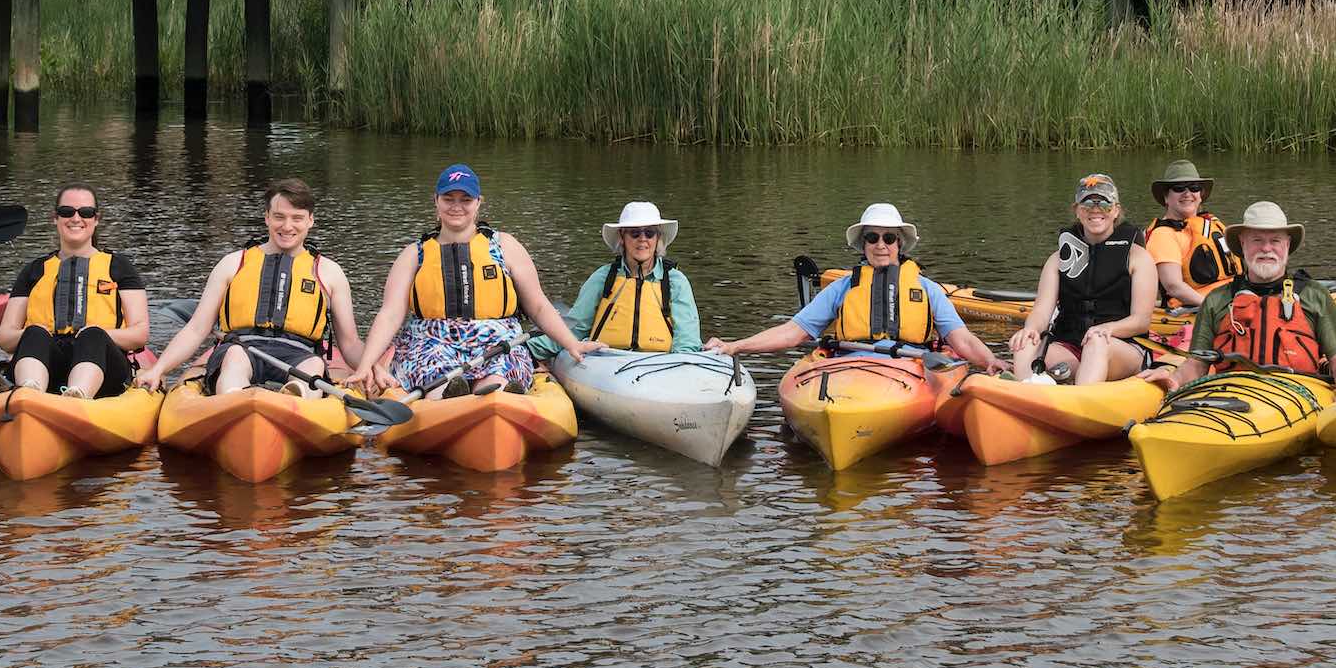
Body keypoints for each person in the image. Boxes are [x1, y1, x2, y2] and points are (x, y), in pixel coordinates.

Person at [354, 163, 604, 398]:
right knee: (437, 379)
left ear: (478, 203)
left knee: (497, 378)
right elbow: (390, 314)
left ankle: (497, 396)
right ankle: (449, 398)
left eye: (465, 199)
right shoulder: (413, 254)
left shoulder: (505, 245)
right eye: (448, 199)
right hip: (432, 341)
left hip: (497, 341)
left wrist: (571, 344)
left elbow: (538, 305)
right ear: (436, 202)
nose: (457, 206)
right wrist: (366, 365)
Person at [702, 202, 1002, 370]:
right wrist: (735, 345)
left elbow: (962, 340)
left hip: (911, 368)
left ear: (900, 244)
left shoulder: (928, 289)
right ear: (863, 245)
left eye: (889, 238)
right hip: (851, 368)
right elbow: (792, 333)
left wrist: (989, 361)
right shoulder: (843, 288)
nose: (881, 245)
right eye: (872, 238)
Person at [135, 178, 366, 396]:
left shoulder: (329, 273)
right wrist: (159, 369)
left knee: (315, 363)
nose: (287, 226)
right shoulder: (233, 263)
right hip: (242, 347)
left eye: (297, 218)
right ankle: (236, 399)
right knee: (235, 357)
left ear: (310, 221)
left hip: (299, 354)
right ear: (266, 217)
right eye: (279, 217)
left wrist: (373, 368)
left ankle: (295, 398)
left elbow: (350, 342)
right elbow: (197, 329)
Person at [1139, 201, 1336, 400]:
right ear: (1243, 244)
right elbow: (1197, 364)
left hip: (1299, 393)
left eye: (1275, 241)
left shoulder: (1314, 295)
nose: (1266, 249)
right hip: (1233, 392)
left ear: (1287, 246)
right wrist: (1173, 379)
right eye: (1257, 240)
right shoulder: (1217, 300)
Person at [0, 184, 150, 399]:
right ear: (55, 218)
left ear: (96, 219)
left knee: (94, 334)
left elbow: (140, 334)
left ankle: (78, 395)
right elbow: (5, 338)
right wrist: (36, 333)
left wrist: (96, 333)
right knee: (34, 332)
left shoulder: (119, 267)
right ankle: (30, 393)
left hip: (103, 367)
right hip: (46, 363)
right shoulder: (34, 270)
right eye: (67, 212)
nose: (76, 218)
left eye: (85, 212)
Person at [1008, 174, 1158, 385]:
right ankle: (1025, 393)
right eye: (1087, 203)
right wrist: (1031, 329)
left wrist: (1108, 329)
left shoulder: (1139, 258)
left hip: (1120, 348)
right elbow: (1041, 312)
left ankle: (1081, 402)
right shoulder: (1057, 259)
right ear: (1077, 211)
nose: (1095, 210)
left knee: (1097, 342)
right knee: (1026, 342)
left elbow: (1141, 321)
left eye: (1104, 204)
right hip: (1071, 347)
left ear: (1115, 210)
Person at [528, 201, 701, 360]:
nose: (643, 239)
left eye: (649, 233)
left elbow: (687, 340)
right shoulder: (603, 278)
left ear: (657, 238)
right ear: (622, 237)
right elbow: (576, 329)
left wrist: (680, 368)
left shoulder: (676, 281)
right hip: (608, 361)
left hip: (660, 363)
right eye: (634, 233)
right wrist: (527, 350)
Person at [1143, 160, 1243, 308]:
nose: (1187, 193)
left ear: (1200, 195)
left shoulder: (1210, 223)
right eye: (1178, 188)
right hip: (1198, 310)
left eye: (1194, 187)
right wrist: (1214, 309)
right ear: (1166, 197)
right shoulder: (1163, 235)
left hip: (1235, 299)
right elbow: (1174, 287)